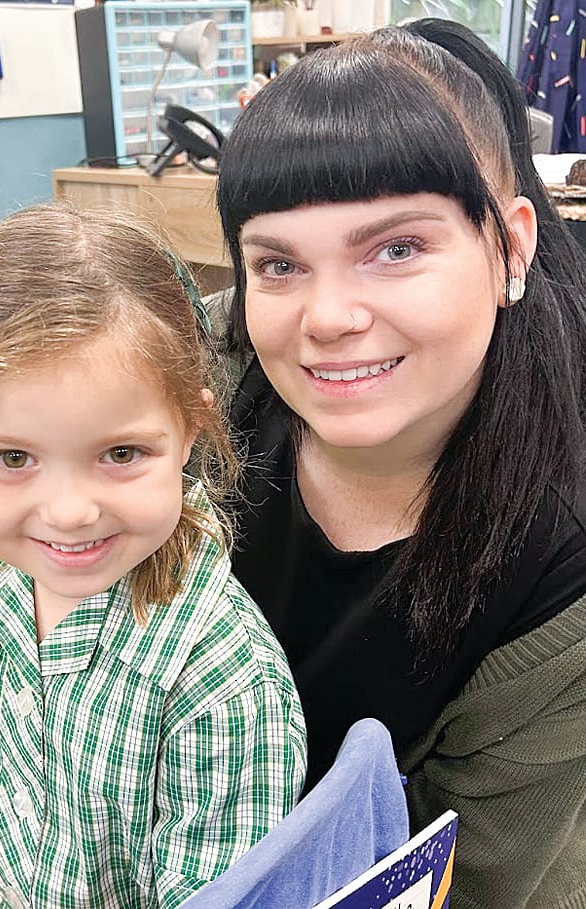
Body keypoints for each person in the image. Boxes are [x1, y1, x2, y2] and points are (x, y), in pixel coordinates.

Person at [211, 19, 586, 909]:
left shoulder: (559, 560)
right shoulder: (216, 377)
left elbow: (477, 876)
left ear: (512, 246)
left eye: (397, 248)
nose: (328, 316)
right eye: (280, 263)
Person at [0, 204, 307, 909]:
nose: (67, 512)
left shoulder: (220, 685)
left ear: (189, 428)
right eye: (14, 457)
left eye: (120, 453)